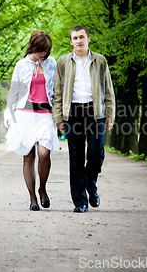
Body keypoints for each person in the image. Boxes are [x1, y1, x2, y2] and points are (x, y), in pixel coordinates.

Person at [53, 25, 115, 213]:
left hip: (96, 113)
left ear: (88, 39)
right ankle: (80, 202)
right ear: (71, 41)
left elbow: (108, 90)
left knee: (97, 154)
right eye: (74, 38)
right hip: (73, 114)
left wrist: (110, 116)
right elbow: (57, 92)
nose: (78, 41)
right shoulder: (63, 62)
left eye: (81, 37)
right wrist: (59, 117)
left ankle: (90, 185)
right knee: (76, 158)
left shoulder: (100, 61)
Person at [4, 30, 60, 211]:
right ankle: (33, 198)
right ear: (32, 46)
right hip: (24, 114)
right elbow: (13, 91)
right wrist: (8, 113)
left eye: (46, 50)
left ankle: (43, 188)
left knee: (44, 153)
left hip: (45, 114)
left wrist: (60, 115)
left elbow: (58, 90)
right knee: (28, 157)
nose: (43, 54)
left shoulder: (51, 63)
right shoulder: (21, 65)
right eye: (40, 50)